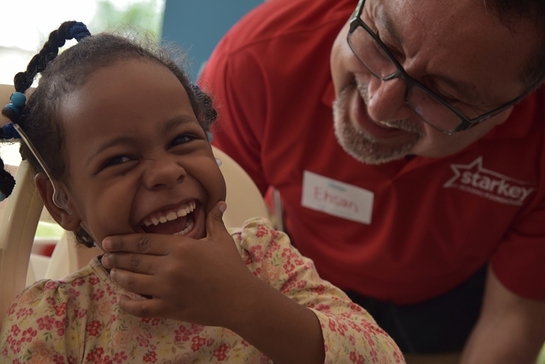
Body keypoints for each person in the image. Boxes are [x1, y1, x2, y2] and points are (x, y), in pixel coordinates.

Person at [0, 21, 404, 363]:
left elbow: (384, 356)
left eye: (182, 140)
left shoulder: (267, 261)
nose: (166, 171)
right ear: (61, 202)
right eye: (120, 160)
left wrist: (245, 304)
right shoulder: (56, 322)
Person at [197, 0, 545, 362]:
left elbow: (512, 319)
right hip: (299, 275)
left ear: (509, 108)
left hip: (446, 307)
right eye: (382, 44)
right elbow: (217, 244)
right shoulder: (258, 57)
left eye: (442, 92)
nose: (378, 106)